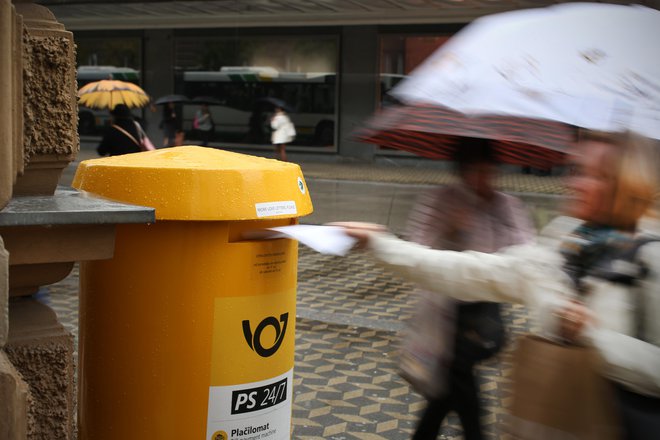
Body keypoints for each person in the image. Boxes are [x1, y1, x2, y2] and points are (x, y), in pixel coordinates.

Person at [336, 131, 660, 439]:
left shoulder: (650, 257)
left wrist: (592, 336)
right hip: (562, 419)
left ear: (626, 184)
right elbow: (469, 270)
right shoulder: (562, 247)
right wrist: (379, 243)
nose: (573, 182)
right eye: (576, 170)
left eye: (593, 175)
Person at [405, 138, 534, 440]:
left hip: (485, 309)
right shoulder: (441, 200)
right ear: (461, 170)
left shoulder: (506, 204)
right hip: (447, 311)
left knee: (447, 391)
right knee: (459, 388)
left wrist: (498, 222)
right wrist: (448, 231)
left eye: (489, 171)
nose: (483, 179)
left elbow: (527, 248)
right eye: (475, 171)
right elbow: (414, 247)